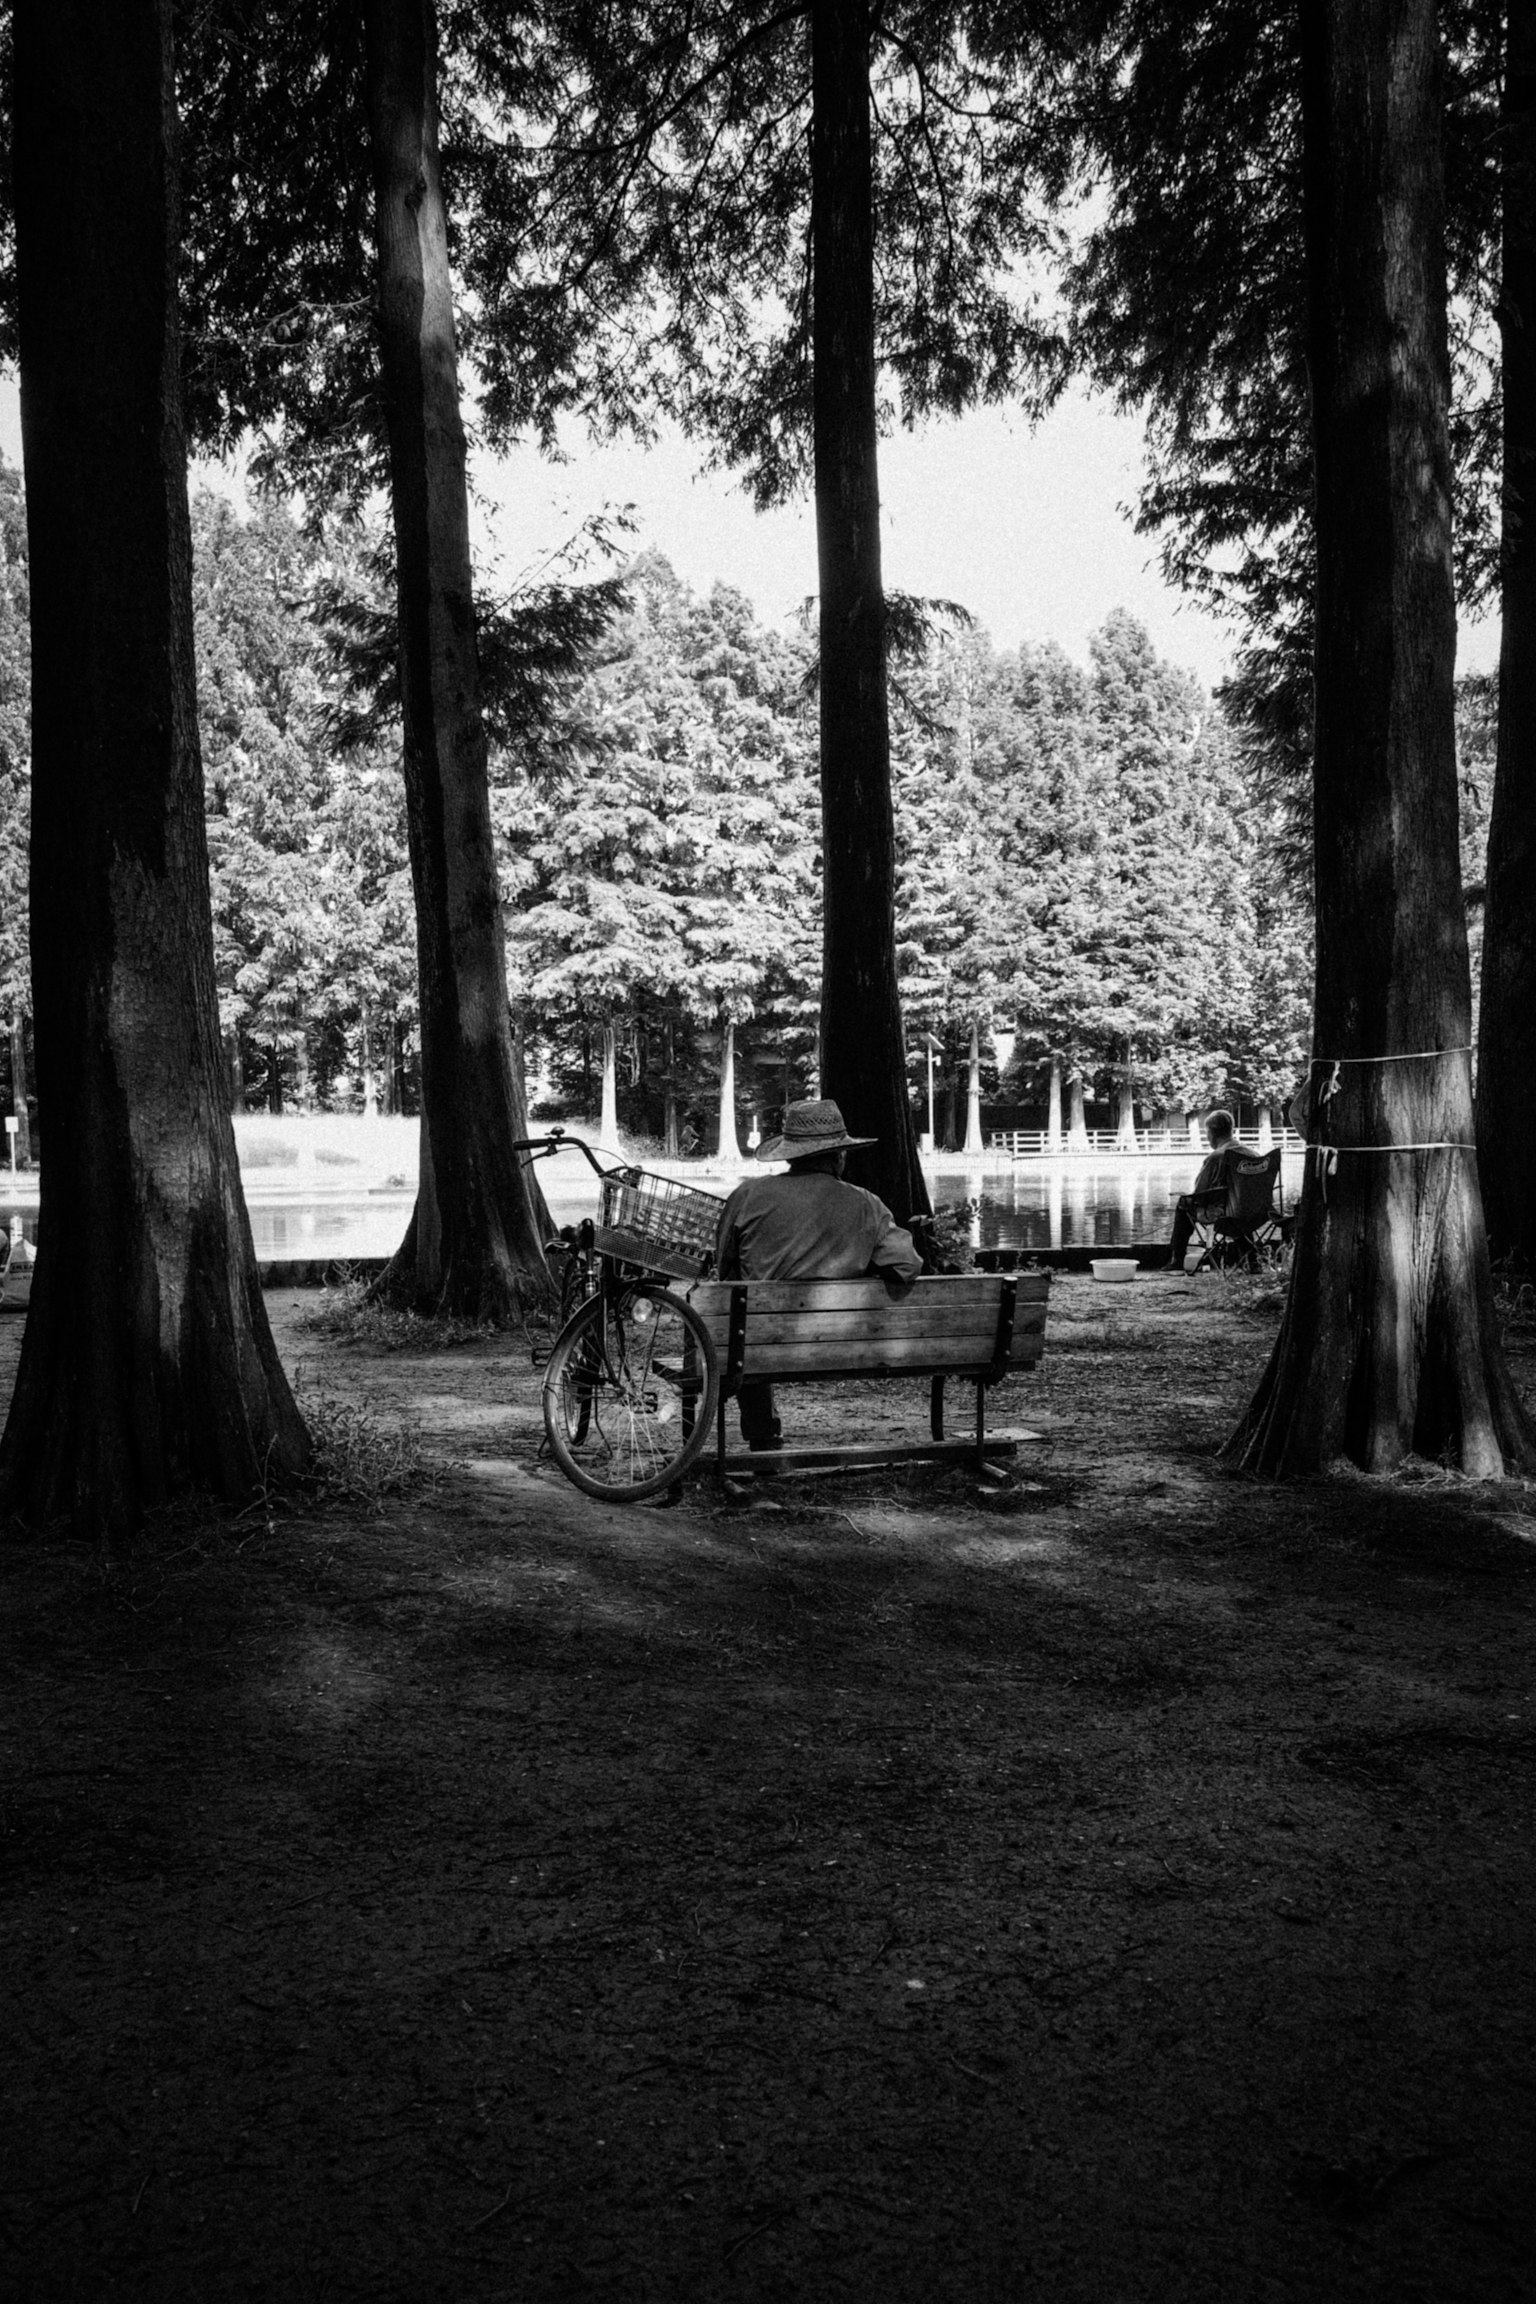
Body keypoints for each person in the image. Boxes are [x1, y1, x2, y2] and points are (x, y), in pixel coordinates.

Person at [715, 1098, 923, 1449]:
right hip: (842, 1344)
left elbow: (725, 1266)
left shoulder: (747, 1195)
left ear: (790, 1154)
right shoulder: (866, 1204)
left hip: (757, 1343)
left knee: (743, 1325)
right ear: (839, 1155)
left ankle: (763, 1436)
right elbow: (908, 1266)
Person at [1163, 1108, 1251, 1273]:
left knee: (1184, 1204)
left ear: (1211, 1133)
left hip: (1224, 1215)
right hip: (1253, 1212)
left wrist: (1187, 1198)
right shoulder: (1252, 1154)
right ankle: (1253, 1260)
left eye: (1207, 1132)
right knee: (1240, 1208)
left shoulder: (1216, 1157)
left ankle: (1177, 1259)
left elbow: (1200, 1192)